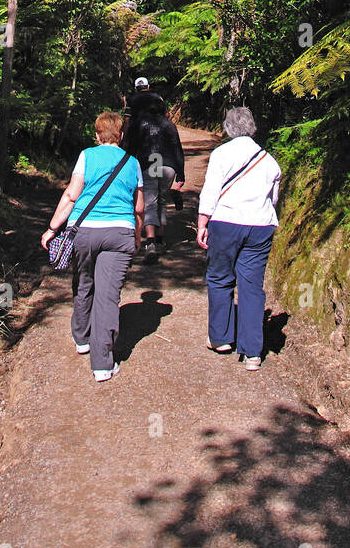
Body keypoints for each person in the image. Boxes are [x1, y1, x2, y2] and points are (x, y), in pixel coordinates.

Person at [41, 112, 144, 382]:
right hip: (120, 232)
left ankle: (82, 338)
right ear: (121, 136)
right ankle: (102, 364)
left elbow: (72, 195)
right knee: (108, 297)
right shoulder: (133, 163)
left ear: (97, 135)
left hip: (84, 231)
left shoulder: (86, 156)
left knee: (84, 282)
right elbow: (139, 207)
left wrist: (52, 228)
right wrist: (138, 236)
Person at [196, 107, 281, 370]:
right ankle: (252, 352)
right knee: (251, 286)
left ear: (228, 128)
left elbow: (211, 190)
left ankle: (221, 337)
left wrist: (202, 222)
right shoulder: (269, 160)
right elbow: (273, 199)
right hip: (260, 226)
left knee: (220, 278)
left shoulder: (221, 153)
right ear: (252, 127)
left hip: (226, 222)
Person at [125, 105, 186, 263]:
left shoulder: (140, 124)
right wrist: (181, 174)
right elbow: (177, 149)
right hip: (168, 167)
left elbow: (132, 147)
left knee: (150, 202)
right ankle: (160, 240)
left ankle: (150, 242)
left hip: (151, 164)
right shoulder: (169, 125)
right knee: (162, 201)